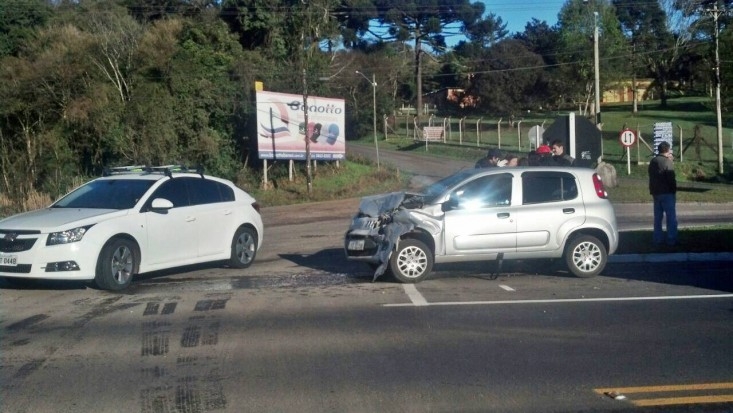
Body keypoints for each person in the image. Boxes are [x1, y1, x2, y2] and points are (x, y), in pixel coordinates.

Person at [648, 141, 677, 246]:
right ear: (668, 150)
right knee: (671, 218)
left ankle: (657, 239)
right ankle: (671, 239)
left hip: (656, 192)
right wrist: (674, 190)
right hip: (667, 192)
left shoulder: (653, 161)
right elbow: (671, 178)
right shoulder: (667, 162)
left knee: (657, 218)